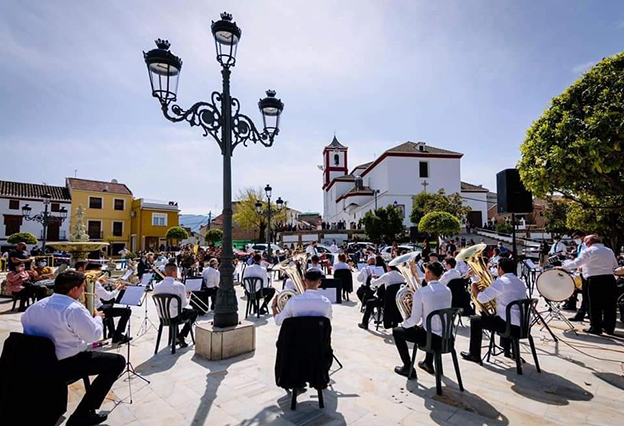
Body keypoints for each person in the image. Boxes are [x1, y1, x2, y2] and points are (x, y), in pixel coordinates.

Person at [21, 270, 125, 426]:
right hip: (65, 364)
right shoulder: (73, 309)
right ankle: (84, 413)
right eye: (83, 287)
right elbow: (93, 336)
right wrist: (97, 318)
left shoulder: (35, 307)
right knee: (117, 362)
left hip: (36, 363)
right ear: (74, 289)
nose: (84, 290)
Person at [461, 258, 527, 363]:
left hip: (508, 326)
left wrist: (474, 286)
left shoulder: (501, 282)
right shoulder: (520, 282)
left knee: (475, 320)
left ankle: (474, 354)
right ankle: (507, 349)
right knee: (502, 315)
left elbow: (482, 298)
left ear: (500, 269)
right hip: (523, 325)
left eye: (497, 267)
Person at [392, 261, 452, 377]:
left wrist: (404, 324)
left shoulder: (422, 292)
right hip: (447, 338)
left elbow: (414, 320)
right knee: (430, 327)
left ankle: (407, 367)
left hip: (431, 340)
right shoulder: (447, 290)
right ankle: (428, 363)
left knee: (397, 331)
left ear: (428, 273)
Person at [562, 235, 618, 335]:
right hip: (609, 279)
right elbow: (615, 265)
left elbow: (577, 263)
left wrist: (564, 266)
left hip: (594, 280)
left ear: (588, 242)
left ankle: (596, 328)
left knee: (595, 305)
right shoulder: (609, 250)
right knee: (609, 305)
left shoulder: (588, 251)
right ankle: (609, 328)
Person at [84, 263, 131, 344]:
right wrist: (117, 289)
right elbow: (107, 297)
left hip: (93, 306)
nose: (101, 273)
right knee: (127, 311)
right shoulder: (95, 283)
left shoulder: (87, 280)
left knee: (109, 307)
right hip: (96, 309)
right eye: (99, 271)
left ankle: (112, 332)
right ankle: (118, 334)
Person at [152, 263, 198, 347]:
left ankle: (176, 337)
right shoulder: (179, 286)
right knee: (194, 312)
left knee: (173, 310)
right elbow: (184, 304)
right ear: (174, 272)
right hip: (176, 317)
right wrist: (189, 296)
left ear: (165, 272)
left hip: (163, 317)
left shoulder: (157, 286)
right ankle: (182, 335)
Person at [358, 265, 404, 330]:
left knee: (369, 302)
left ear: (389, 267)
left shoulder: (387, 275)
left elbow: (374, 283)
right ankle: (393, 323)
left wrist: (373, 278)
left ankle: (364, 323)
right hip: (398, 302)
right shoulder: (401, 276)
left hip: (387, 302)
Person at [568, 230, 589, 318]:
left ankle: (582, 313)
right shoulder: (580, 245)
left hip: (586, 271)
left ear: (582, 236)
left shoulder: (586, 245)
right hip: (581, 271)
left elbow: (586, 257)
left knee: (585, 294)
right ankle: (586, 311)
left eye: (577, 238)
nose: (576, 240)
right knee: (585, 294)